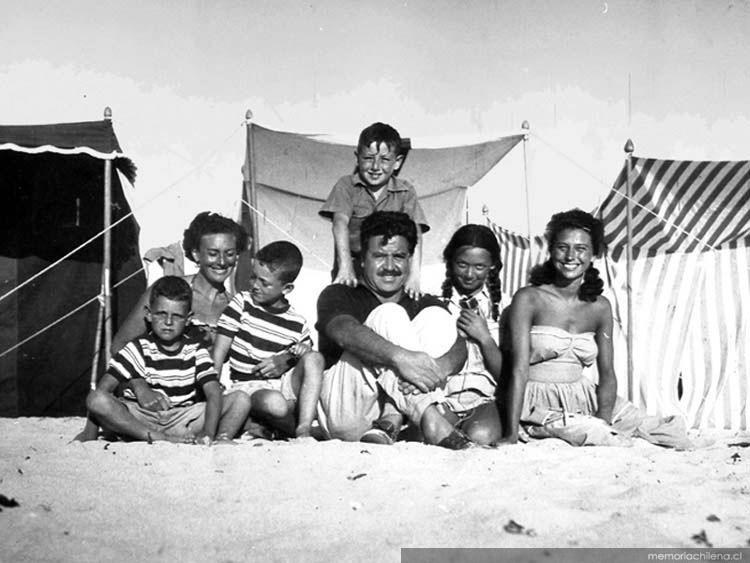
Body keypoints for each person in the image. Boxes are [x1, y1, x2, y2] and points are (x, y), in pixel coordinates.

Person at [505, 209, 692, 448]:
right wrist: (510, 433)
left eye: (581, 249)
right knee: (596, 433)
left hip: (583, 397)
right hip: (537, 403)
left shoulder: (600, 307)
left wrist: (604, 419)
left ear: (594, 254)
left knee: (670, 434)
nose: (571, 256)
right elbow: (517, 369)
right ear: (551, 250)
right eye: (562, 247)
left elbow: (607, 374)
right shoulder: (529, 298)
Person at [74, 211, 248, 441]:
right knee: (102, 401)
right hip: (146, 401)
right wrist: (141, 387)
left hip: (190, 407)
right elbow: (119, 345)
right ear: (196, 254)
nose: (222, 262)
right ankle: (151, 434)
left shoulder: (235, 306)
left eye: (229, 254)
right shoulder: (169, 292)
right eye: (213, 253)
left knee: (241, 400)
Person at [316, 211, 472, 449]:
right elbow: (342, 330)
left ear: (410, 260)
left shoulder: (421, 300)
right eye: (379, 256)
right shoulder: (341, 293)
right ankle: (429, 416)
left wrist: (439, 368)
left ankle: (392, 415)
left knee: (437, 316)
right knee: (389, 314)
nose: (389, 266)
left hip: (402, 425)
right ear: (362, 259)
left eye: (399, 256)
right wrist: (402, 359)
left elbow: (458, 345)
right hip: (350, 414)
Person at [83, 276, 251, 443]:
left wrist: (208, 431)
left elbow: (213, 392)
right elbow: (104, 388)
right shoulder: (137, 348)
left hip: (182, 418)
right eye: (161, 314)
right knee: (96, 399)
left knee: (240, 399)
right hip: (140, 417)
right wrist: (89, 433)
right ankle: (152, 435)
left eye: (177, 316)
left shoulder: (195, 350)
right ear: (149, 314)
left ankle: (221, 437)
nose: (168, 322)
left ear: (188, 319)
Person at [212, 241, 324, 439]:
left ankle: (304, 428)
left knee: (315, 358)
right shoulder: (242, 303)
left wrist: (297, 352)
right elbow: (220, 351)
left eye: (264, 282)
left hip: (283, 385)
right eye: (253, 277)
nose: (255, 285)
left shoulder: (297, 322)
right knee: (276, 404)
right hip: (248, 387)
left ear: (287, 288)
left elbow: (306, 353)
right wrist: (212, 388)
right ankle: (279, 426)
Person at [319, 122, 428, 297]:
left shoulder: (405, 190)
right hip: (354, 270)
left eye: (384, 160)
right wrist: (345, 268)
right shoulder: (346, 186)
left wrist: (414, 277)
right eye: (368, 158)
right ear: (357, 158)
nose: (376, 167)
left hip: (389, 272)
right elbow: (340, 223)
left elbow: (416, 232)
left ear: (397, 162)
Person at [436, 224, 504, 445]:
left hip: (483, 397)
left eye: (479, 267)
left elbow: (505, 374)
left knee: (480, 437)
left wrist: (484, 338)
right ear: (450, 262)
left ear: (492, 266)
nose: (469, 274)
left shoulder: (505, 308)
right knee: (432, 438)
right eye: (462, 264)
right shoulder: (434, 304)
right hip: (442, 397)